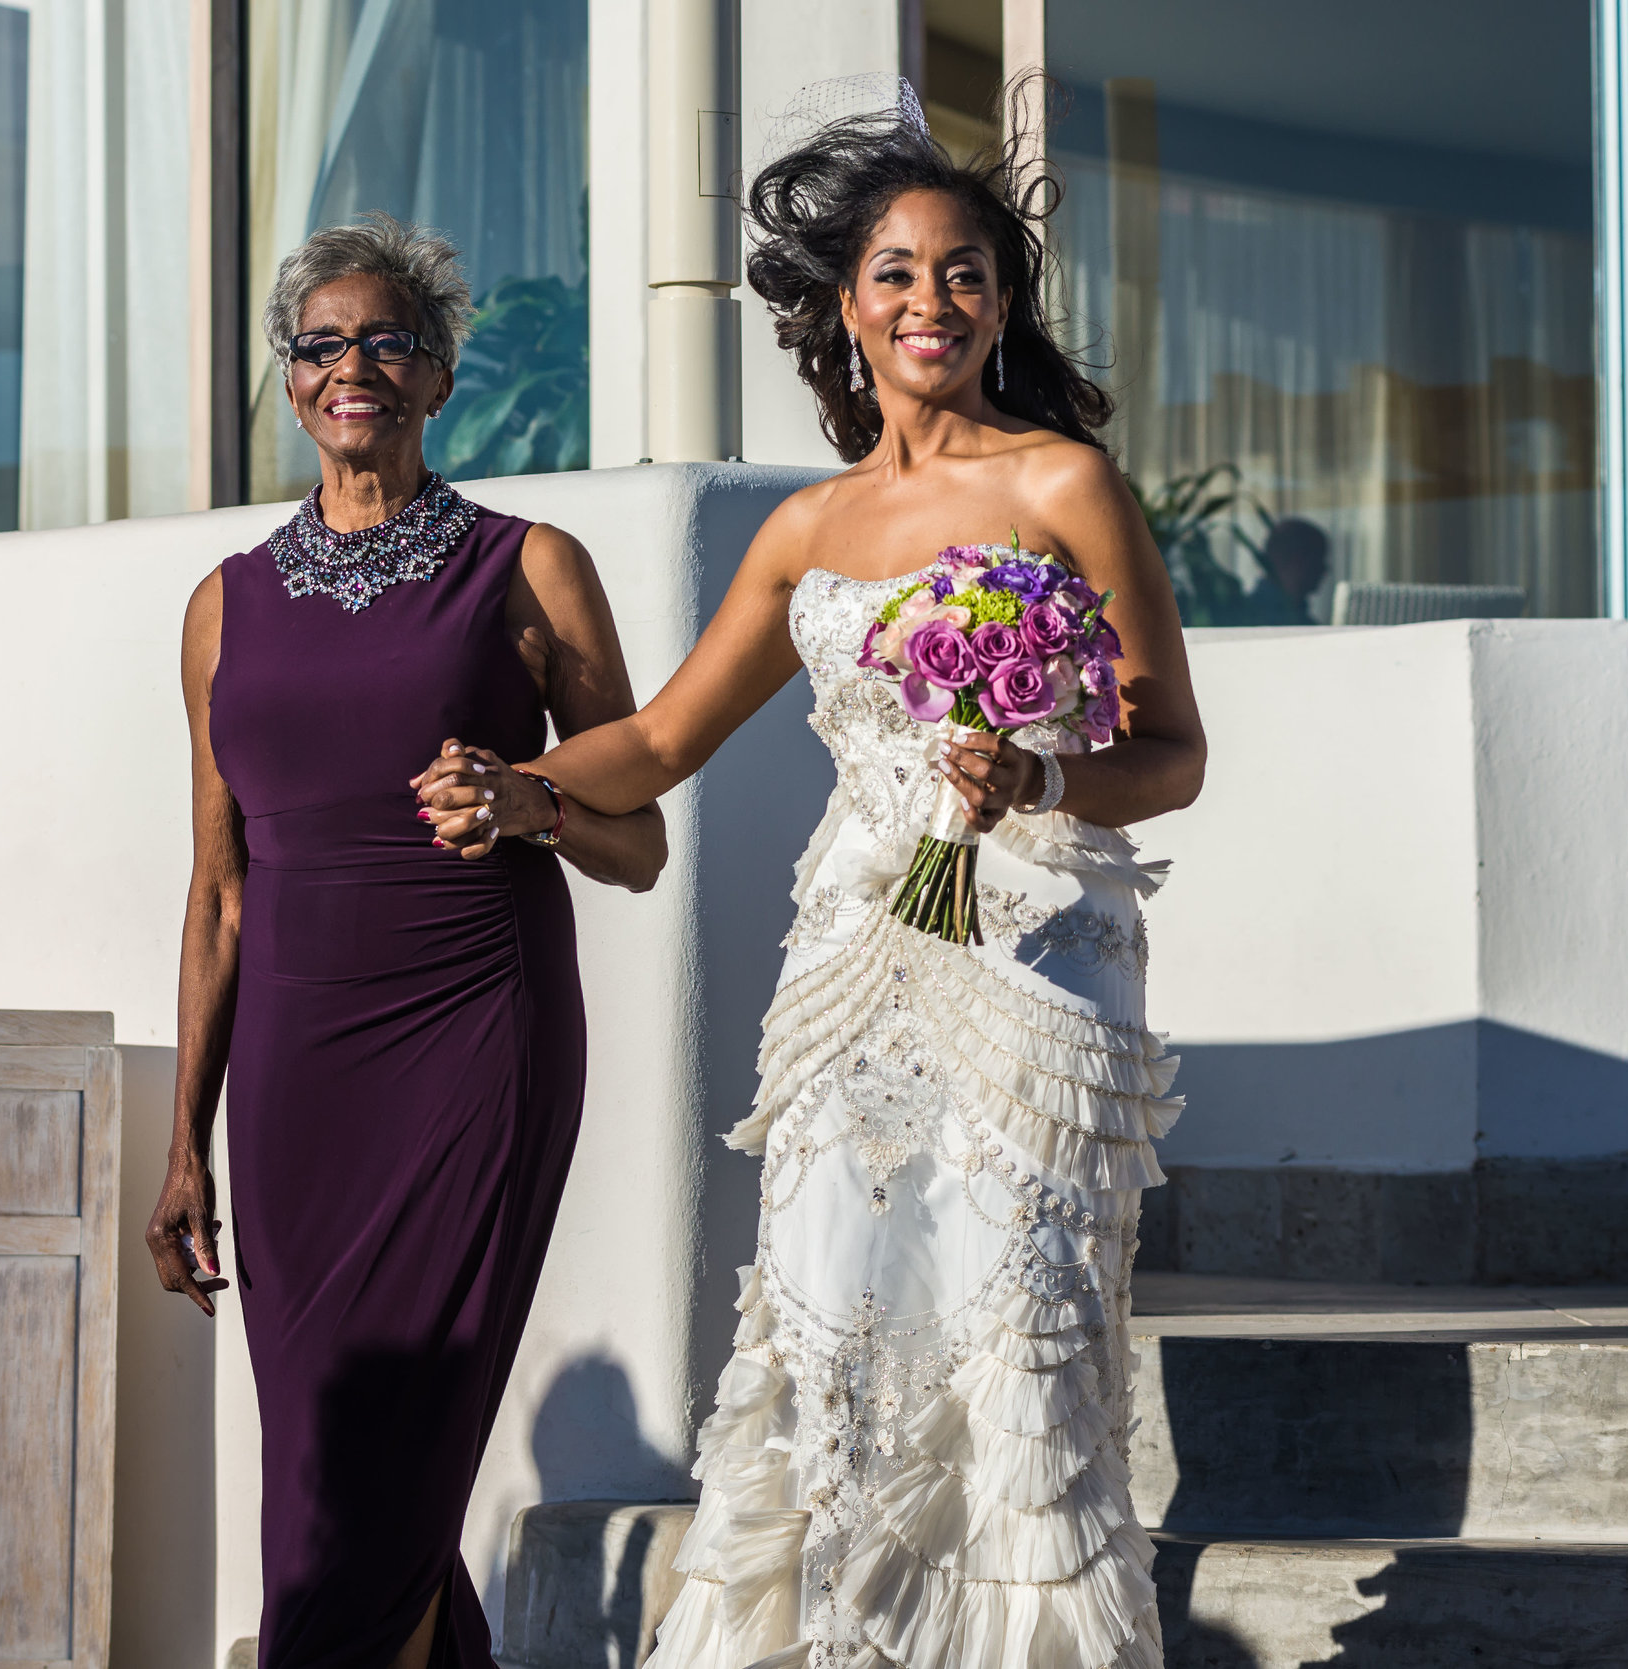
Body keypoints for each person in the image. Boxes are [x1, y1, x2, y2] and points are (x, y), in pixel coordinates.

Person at [418, 94, 1205, 1669]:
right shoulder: (809, 526)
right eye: (899, 274)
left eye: (967, 272)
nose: (934, 303)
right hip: (855, 952)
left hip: (1034, 944)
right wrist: (526, 793)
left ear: (1002, 302)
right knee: (835, 1323)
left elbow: (1172, 752)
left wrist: (1038, 773)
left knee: (1012, 1319)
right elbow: (654, 740)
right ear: (846, 306)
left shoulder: (1067, 487)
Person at [144, 213, 667, 1669]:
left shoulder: (529, 569)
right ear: (291, 380)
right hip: (295, 1083)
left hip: (471, 1049)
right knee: (335, 1472)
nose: (353, 364)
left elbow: (642, 840)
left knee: (374, 1485)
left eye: (390, 339)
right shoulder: (221, 609)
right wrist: (187, 1138)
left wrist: (531, 803)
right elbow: (219, 889)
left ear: (440, 376)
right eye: (321, 343)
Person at [1239, 515, 1330, 625]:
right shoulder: (1247, 619)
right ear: (1293, 560)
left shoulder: (1303, 622)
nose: (1324, 570)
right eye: (1317, 560)